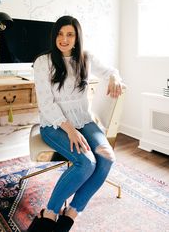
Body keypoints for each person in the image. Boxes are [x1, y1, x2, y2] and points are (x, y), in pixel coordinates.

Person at [27, 15, 124, 232]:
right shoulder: (43, 62)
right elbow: (47, 104)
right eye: (60, 34)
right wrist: (70, 130)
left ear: (77, 37)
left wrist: (114, 77)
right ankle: (50, 212)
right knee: (86, 162)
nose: (64, 39)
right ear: (54, 36)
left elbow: (110, 70)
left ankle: (72, 211)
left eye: (70, 34)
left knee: (107, 158)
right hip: (55, 125)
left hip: (84, 120)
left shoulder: (85, 58)